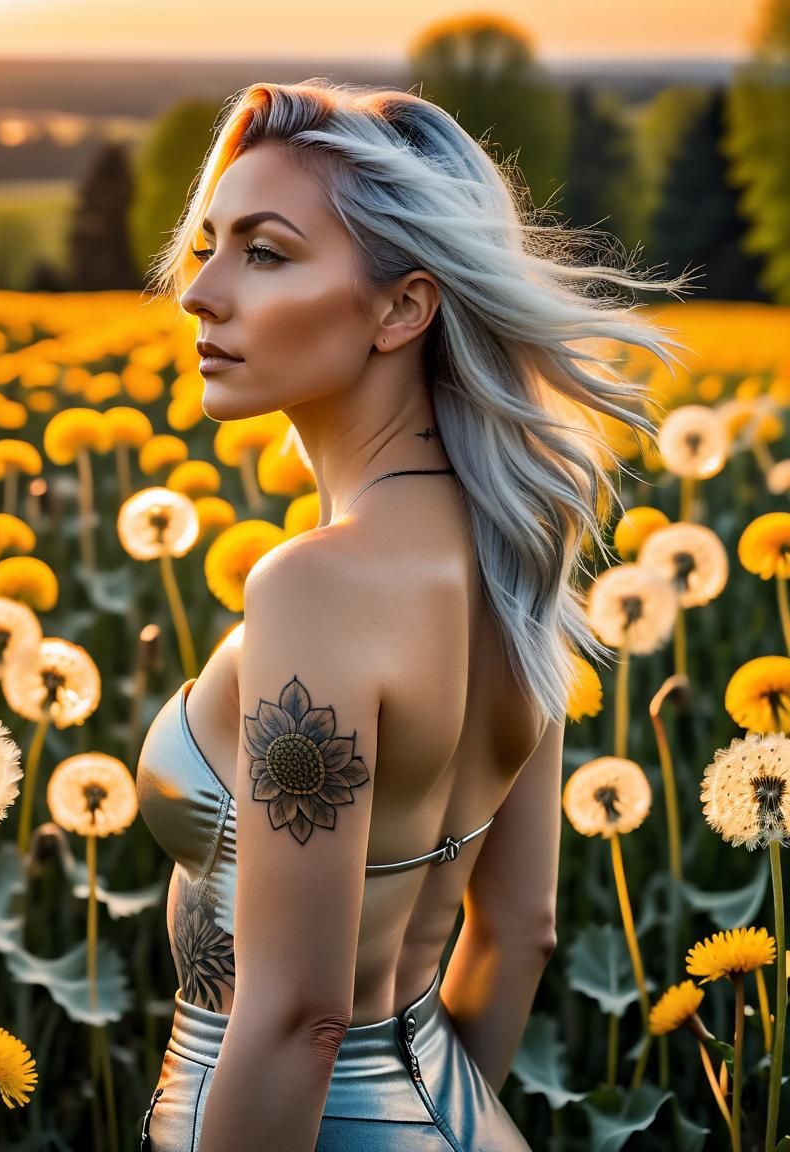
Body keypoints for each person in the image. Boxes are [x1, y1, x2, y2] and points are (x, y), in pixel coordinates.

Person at [134, 77, 694, 1151]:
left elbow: (299, 1016)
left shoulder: (316, 587)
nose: (199, 293)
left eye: (263, 252)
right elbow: (517, 933)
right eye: (207, 244)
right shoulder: (514, 550)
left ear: (403, 307)